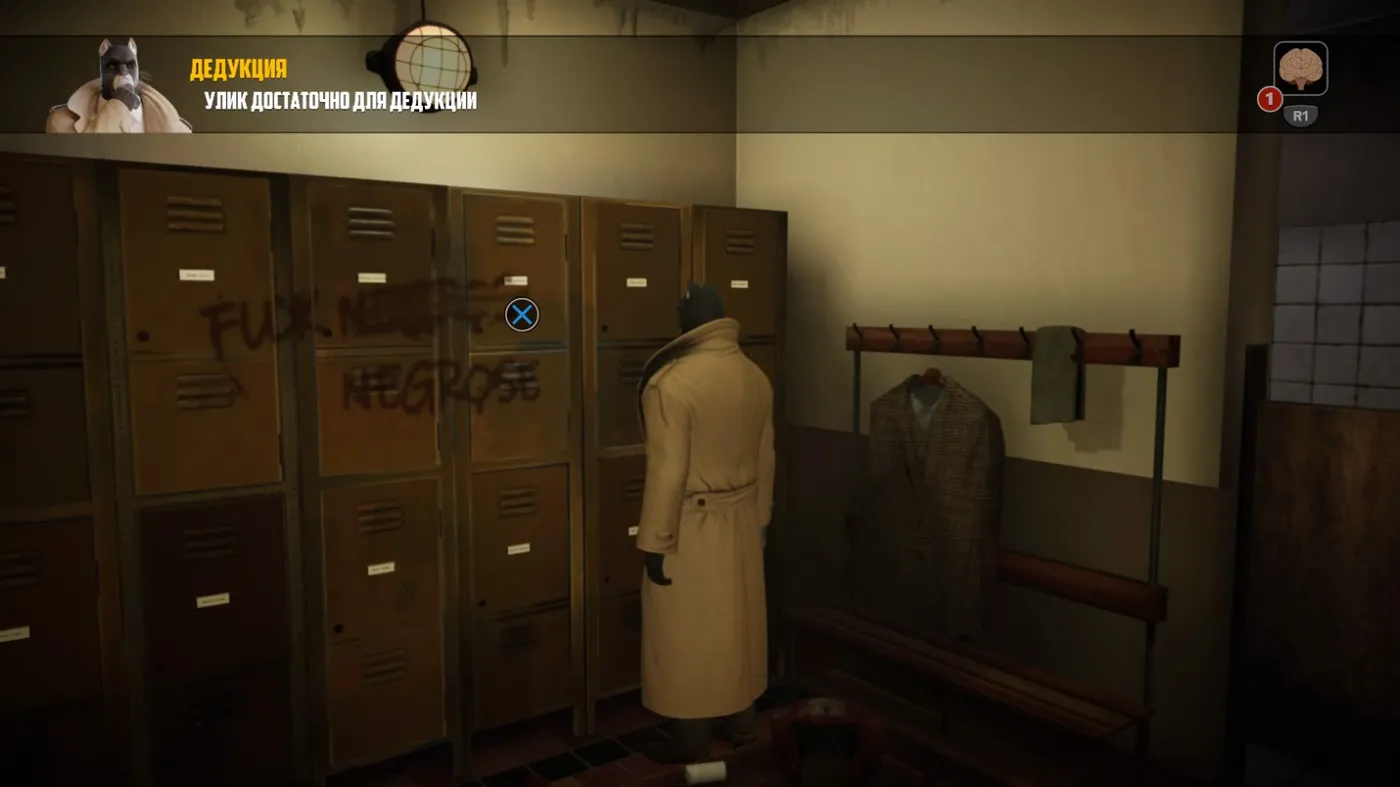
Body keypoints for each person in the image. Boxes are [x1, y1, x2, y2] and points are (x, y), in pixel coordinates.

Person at [633, 282, 776, 763]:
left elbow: (668, 470)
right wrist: (760, 521)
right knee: (737, 632)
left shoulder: (671, 384)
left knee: (688, 636)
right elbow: (767, 457)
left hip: (690, 528)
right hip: (742, 521)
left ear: (688, 322)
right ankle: (743, 728)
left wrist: (656, 541)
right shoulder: (754, 376)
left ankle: (693, 742)